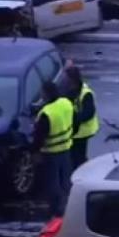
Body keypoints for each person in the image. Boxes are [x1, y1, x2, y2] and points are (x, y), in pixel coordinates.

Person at [33, 82, 75, 215]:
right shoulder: (66, 103)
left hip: (51, 152)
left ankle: (56, 211)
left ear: (46, 94)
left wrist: (35, 152)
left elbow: (40, 137)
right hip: (66, 148)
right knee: (65, 181)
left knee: (52, 184)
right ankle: (68, 206)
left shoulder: (46, 113)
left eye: (42, 92)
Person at [66, 65, 98, 171]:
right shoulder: (71, 90)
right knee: (75, 155)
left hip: (83, 131)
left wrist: (74, 119)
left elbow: (89, 113)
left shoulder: (86, 94)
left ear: (73, 80)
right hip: (75, 129)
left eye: (68, 81)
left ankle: (81, 171)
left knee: (78, 156)